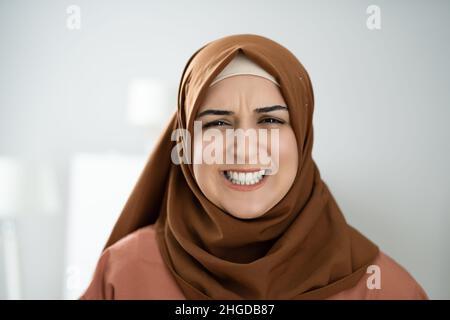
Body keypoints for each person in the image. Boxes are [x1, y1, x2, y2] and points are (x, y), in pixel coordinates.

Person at [80, 34, 428, 300]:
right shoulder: (124, 273)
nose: (244, 147)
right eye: (217, 124)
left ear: (303, 136)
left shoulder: (379, 285)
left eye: (270, 121)